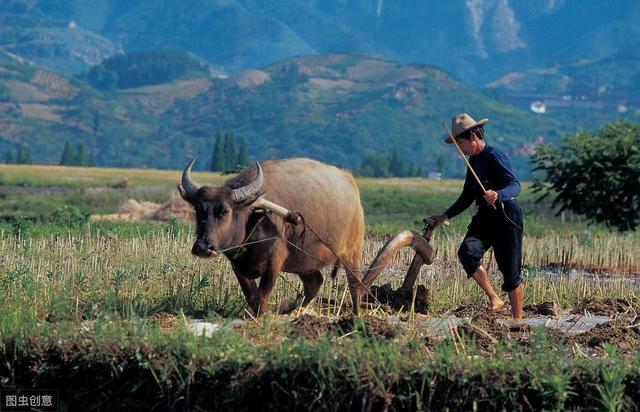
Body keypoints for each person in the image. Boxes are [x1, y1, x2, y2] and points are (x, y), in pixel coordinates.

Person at [428, 113, 524, 319]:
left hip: (507, 215)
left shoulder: (494, 156)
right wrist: (444, 216)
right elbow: (467, 197)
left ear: (473, 137)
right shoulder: (473, 162)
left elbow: (515, 185)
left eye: (459, 144)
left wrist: (498, 195)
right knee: (467, 252)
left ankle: (518, 321)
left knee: (511, 271)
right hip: (485, 217)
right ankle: (494, 298)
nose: (458, 150)